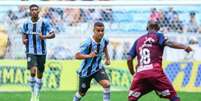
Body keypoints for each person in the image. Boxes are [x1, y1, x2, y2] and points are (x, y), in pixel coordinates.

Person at [127, 21, 192, 101]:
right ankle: (159, 90)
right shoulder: (158, 35)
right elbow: (169, 43)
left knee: (131, 99)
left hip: (141, 73)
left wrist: (133, 72)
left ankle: (156, 88)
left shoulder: (138, 40)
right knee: (174, 97)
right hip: (155, 73)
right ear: (158, 28)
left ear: (147, 28)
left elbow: (129, 58)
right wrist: (184, 46)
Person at [21, 4, 55, 101]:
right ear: (30, 11)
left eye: (36, 10)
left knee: (40, 74)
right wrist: (24, 40)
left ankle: (37, 93)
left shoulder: (44, 22)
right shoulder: (26, 23)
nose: (34, 11)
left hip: (42, 52)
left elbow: (53, 34)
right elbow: (24, 33)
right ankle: (32, 93)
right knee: (33, 70)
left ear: (39, 11)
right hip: (30, 51)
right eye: (32, 10)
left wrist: (44, 37)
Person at [73, 22, 111, 101]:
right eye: (98, 30)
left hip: (98, 68)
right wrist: (89, 56)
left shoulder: (105, 40)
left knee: (106, 84)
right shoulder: (87, 42)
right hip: (85, 71)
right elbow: (77, 55)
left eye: (102, 30)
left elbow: (105, 47)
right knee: (82, 92)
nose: (101, 33)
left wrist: (107, 58)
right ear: (93, 31)